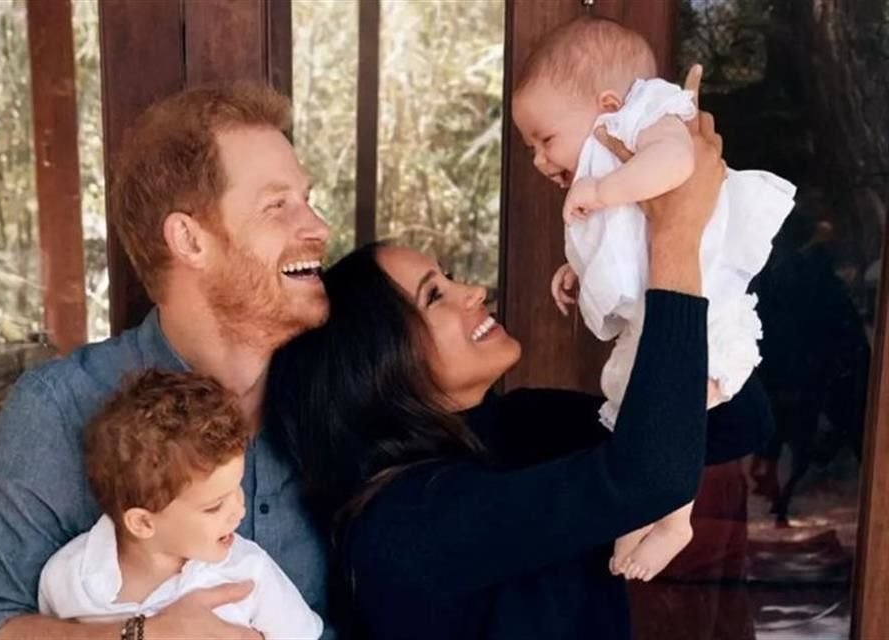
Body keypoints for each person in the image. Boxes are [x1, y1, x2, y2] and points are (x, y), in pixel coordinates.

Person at [265, 76, 774, 639]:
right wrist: (674, 237)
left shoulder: (518, 425)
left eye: (451, 278)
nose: (473, 293)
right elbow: (651, 476)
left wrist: (630, 274)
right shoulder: (405, 523)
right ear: (375, 365)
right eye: (435, 295)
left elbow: (734, 422)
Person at [0, 85, 333, 640]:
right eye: (279, 205)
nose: (317, 226)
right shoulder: (57, 410)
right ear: (189, 240)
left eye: (307, 198)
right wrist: (138, 636)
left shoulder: (336, 390)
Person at [510, 16, 795, 580]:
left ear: (609, 103)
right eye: (530, 149)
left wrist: (602, 189)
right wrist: (577, 268)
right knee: (632, 402)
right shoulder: (610, 159)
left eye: (546, 140)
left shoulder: (651, 117)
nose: (541, 160)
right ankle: (644, 507)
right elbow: (628, 240)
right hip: (663, 307)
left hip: (705, 307)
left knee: (673, 408)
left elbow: (677, 165)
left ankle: (674, 518)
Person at [37, 370, 323, 639]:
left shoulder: (248, 571)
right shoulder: (69, 577)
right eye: (214, 507)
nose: (239, 511)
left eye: (237, 488)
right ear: (143, 522)